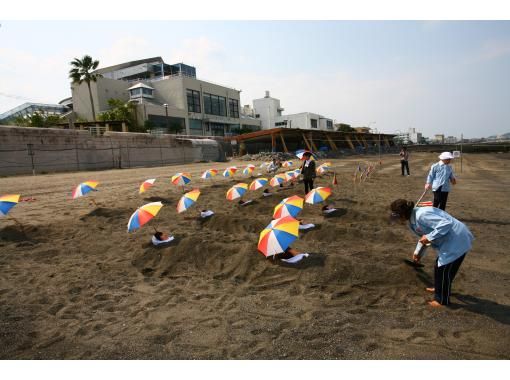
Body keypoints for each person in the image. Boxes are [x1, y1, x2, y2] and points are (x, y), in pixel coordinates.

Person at [389, 199, 474, 307]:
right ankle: (440, 287)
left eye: (398, 217)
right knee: (444, 268)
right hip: (450, 241)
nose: (398, 220)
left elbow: (446, 224)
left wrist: (429, 237)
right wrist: (417, 253)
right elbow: (424, 237)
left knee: (442, 268)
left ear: (403, 214)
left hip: (457, 239)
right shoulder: (412, 221)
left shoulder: (422, 215)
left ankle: (441, 300)